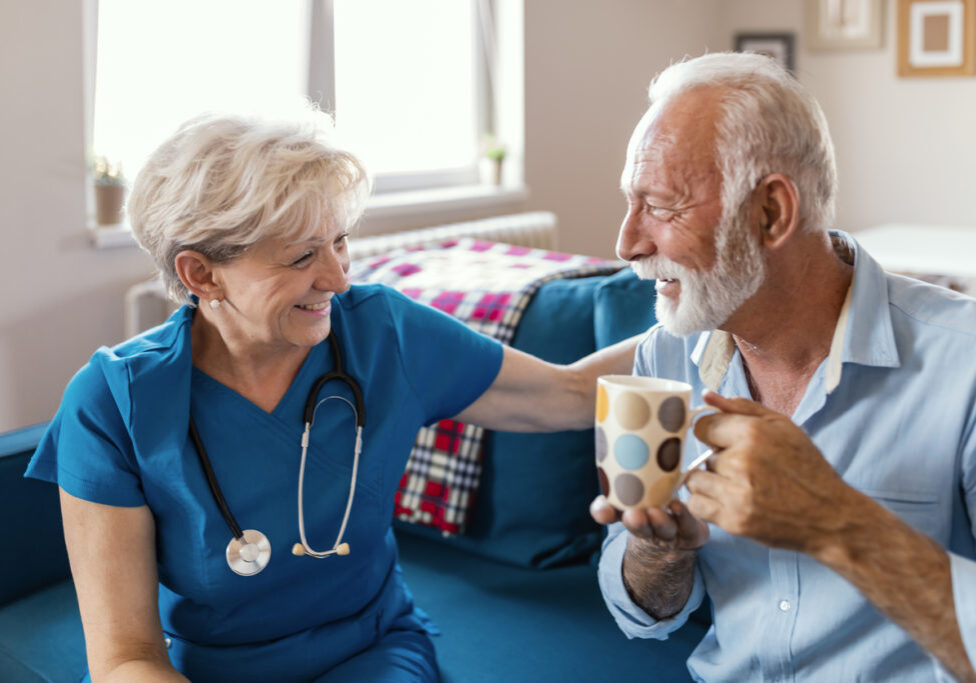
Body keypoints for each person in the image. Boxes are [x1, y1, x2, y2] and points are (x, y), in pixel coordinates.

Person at [26, 110, 637, 682]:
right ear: (201, 274)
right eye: (300, 257)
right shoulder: (113, 403)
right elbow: (126, 657)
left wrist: (707, 319)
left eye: (339, 241)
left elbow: (574, 393)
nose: (338, 277)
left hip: (370, 652)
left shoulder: (383, 335)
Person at [590, 52, 976, 682]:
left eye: (660, 206)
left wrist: (834, 521)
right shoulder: (663, 357)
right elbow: (645, 613)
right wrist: (655, 550)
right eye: (631, 203)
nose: (627, 243)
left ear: (771, 212)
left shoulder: (964, 366)